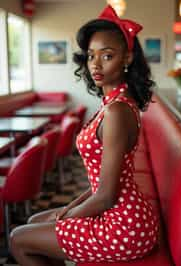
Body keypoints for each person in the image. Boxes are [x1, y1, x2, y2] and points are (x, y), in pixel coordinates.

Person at [10, 5, 159, 265]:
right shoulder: (112, 104)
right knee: (35, 220)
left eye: (107, 55)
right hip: (122, 214)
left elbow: (106, 195)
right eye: (91, 56)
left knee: (17, 239)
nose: (95, 64)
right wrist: (68, 209)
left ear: (128, 58)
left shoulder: (117, 111)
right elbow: (100, 187)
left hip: (123, 227)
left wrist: (66, 218)